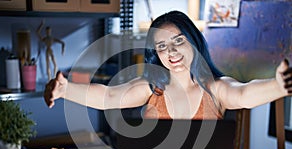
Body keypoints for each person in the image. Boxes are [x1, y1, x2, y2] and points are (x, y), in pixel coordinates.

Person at [44, 11, 291, 120]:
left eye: (178, 41)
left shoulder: (215, 89)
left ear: (193, 41)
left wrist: (279, 86)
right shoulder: (152, 88)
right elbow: (109, 97)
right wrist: (66, 90)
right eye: (161, 46)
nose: (170, 51)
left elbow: (244, 94)